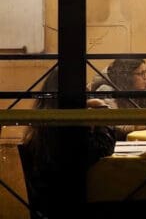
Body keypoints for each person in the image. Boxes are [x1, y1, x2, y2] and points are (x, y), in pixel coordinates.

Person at [21, 68, 116, 218]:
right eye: (83, 87)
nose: (87, 90)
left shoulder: (43, 121)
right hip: (69, 203)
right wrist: (102, 115)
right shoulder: (67, 124)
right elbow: (101, 148)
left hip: (47, 203)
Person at [89, 58, 146, 140]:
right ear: (126, 76)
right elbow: (117, 128)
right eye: (141, 73)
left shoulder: (134, 89)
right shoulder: (106, 90)